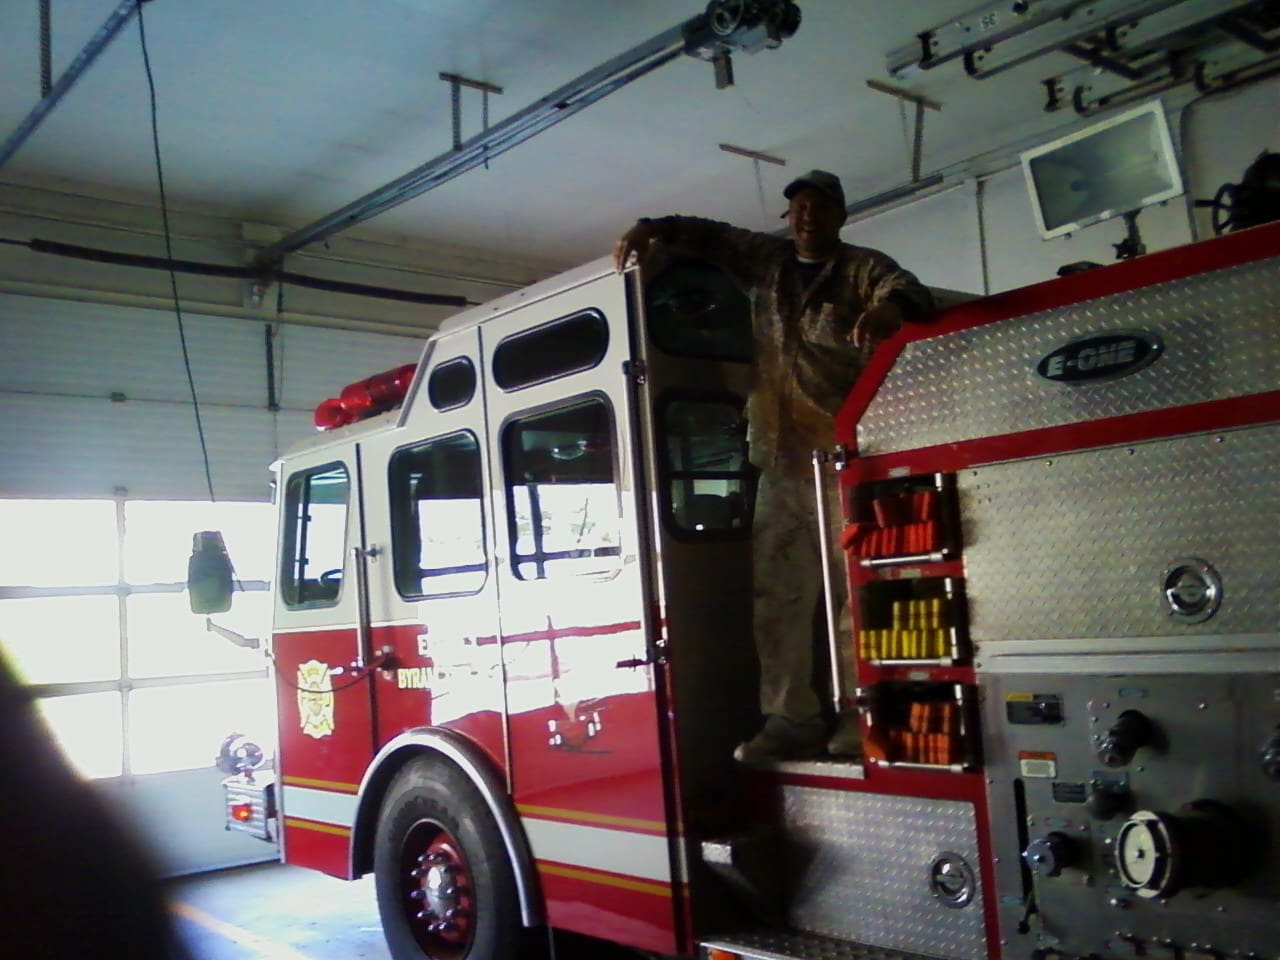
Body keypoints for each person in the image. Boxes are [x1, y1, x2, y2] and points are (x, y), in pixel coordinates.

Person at [614, 169, 934, 763]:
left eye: (820, 207)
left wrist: (890, 314)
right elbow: (708, 236)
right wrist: (651, 229)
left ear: (840, 215)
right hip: (782, 458)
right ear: (789, 218)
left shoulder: (862, 268)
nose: (807, 216)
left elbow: (910, 292)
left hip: (845, 458)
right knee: (779, 595)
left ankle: (857, 716)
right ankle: (789, 718)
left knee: (854, 594)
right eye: (799, 208)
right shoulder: (768, 262)